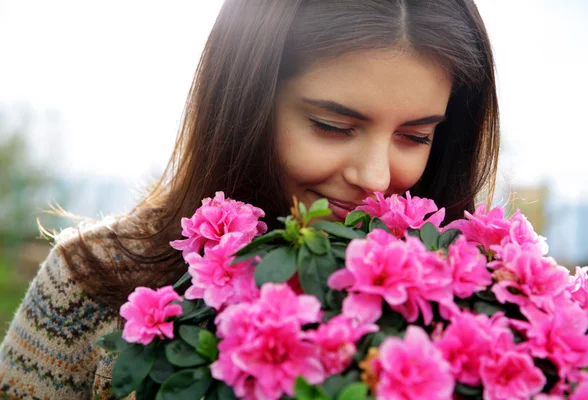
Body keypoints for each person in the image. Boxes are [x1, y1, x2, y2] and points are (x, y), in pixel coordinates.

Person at [0, 0, 499, 398]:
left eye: (415, 137)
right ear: (245, 103)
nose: (375, 177)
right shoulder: (86, 280)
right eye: (332, 126)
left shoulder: (485, 310)